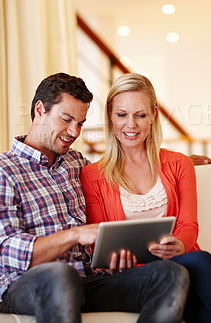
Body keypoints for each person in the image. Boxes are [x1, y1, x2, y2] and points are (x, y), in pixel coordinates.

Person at [0, 73, 190, 323]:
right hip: (27, 285)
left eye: (80, 123)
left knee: (171, 273)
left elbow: (121, 165)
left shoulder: (75, 162)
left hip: (87, 281)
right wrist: (75, 235)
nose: (73, 132)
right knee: (60, 275)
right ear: (40, 109)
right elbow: (6, 251)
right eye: (66, 119)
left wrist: (180, 161)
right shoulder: (5, 170)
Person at [81, 73, 211, 323]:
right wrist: (112, 261)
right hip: (135, 277)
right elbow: (98, 243)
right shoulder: (92, 175)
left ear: (154, 114)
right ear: (110, 115)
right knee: (201, 261)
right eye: (122, 115)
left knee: (207, 308)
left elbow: (188, 225)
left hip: (182, 263)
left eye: (140, 115)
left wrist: (179, 244)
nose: (131, 125)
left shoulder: (179, 164)